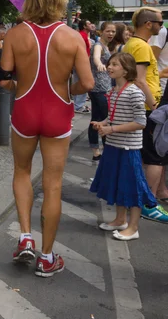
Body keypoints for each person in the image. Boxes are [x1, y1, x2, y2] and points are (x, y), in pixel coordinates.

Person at [0, 0, 94, 277]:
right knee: (52, 184)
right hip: (57, 112)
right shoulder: (72, 37)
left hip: (25, 110)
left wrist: (21, 85)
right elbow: (89, 83)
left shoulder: (14, 34)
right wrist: (68, 90)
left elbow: (2, 81)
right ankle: (47, 257)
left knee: (22, 172)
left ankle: (25, 236)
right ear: (60, 1)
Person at [90, 52, 157, 240]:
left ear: (126, 70)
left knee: (133, 187)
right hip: (114, 146)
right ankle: (120, 219)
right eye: (109, 63)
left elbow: (141, 122)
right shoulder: (112, 92)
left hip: (128, 148)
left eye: (115, 65)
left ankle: (133, 227)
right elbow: (112, 117)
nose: (109, 67)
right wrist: (103, 123)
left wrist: (111, 129)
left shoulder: (134, 92)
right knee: (118, 183)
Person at [123, 7, 168, 222]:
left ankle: (141, 198)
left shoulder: (135, 44)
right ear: (148, 24)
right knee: (154, 157)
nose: (162, 25)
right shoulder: (140, 46)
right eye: (160, 21)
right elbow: (140, 79)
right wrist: (154, 105)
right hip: (148, 107)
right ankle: (149, 203)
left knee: (144, 155)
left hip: (141, 105)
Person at [89, 22, 116, 161]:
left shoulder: (106, 46)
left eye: (113, 31)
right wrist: (99, 63)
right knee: (105, 118)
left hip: (101, 88)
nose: (111, 34)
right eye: (108, 31)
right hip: (100, 88)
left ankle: (96, 151)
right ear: (101, 31)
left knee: (97, 118)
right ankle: (104, 149)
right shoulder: (98, 45)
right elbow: (96, 57)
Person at [74, 20, 92, 114]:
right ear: (84, 26)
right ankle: (79, 105)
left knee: (79, 82)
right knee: (83, 83)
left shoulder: (82, 35)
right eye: (88, 24)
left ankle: (78, 104)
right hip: (81, 63)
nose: (91, 25)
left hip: (81, 62)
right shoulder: (82, 35)